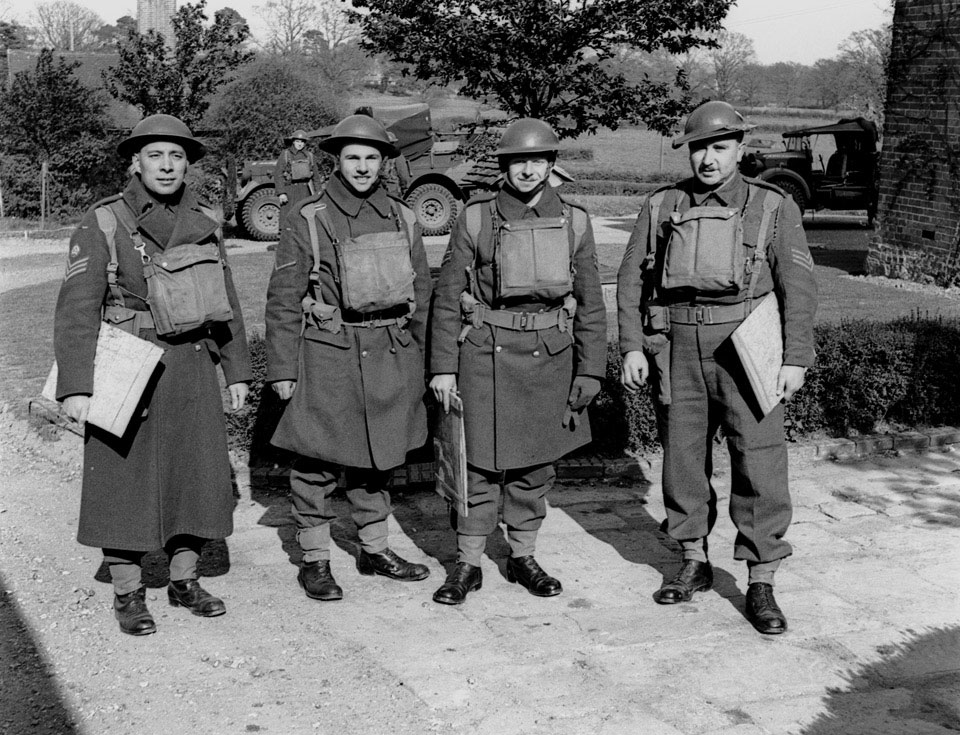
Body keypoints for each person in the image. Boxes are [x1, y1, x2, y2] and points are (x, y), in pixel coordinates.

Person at [617, 100, 818, 634]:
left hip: (746, 343)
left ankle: (761, 579)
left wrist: (796, 356)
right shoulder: (662, 205)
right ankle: (693, 561)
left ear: (740, 149)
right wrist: (634, 346)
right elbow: (632, 281)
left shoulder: (772, 206)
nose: (708, 158)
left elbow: (798, 286)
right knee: (682, 457)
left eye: (720, 147)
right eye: (700, 147)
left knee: (761, 461)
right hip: (678, 342)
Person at [53, 114, 252, 636]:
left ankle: (185, 580)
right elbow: (76, 311)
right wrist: (77, 386)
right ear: (135, 162)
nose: (167, 165)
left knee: (195, 475)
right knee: (122, 480)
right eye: (156, 155)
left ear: (187, 164)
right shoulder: (103, 222)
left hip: (190, 364)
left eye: (177, 156)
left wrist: (235, 370)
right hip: (127, 365)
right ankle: (128, 591)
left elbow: (225, 303)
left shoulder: (206, 220)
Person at [429, 118, 607, 605]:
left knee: (534, 469)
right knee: (476, 466)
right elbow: (446, 299)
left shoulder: (576, 221)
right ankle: (467, 562)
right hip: (484, 356)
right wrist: (443, 367)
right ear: (503, 165)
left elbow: (591, 303)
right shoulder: (474, 218)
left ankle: (522, 555)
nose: (527, 170)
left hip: (550, 359)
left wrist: (591, 368)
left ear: (551, 165)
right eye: (517, 160)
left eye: (537, 160)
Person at [265, 114, 433, 601]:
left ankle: (374, 548)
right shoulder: (309, 217)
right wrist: (281, 370)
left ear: (384, 163)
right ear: (336, 160)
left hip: (389, 351)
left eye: (371, 157)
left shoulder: (404, 217)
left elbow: (421, 292)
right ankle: (315, 559)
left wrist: (424, 363)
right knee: (316, 461)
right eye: (353, 157)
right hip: (328, 354)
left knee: (379, 459)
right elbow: (282, 298)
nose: (362, 166)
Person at [274, 129, 322, 217]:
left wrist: (318, 193)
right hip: (290, 191)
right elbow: (278, 174)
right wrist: (281, 193)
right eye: (297, 141)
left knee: (305, 217)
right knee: (288, 218)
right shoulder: (286, 154)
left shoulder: (310, 156)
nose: (300, 144)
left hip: (306, 192)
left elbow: (316, 177)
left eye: (302, 142)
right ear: (293, 142)